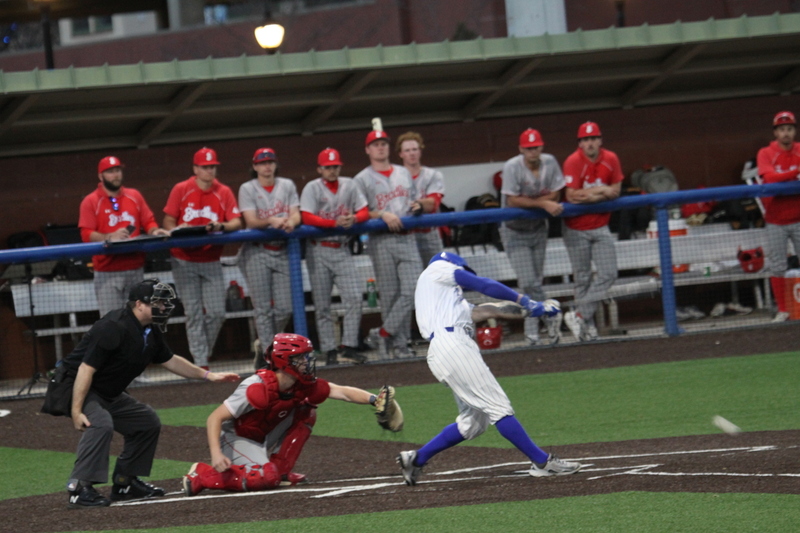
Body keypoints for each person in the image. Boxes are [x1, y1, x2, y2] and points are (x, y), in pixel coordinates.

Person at [397, 252, 581, 486]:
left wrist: (537, 309)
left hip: (447, 350)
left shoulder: (446, 300)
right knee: (498, 407)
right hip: (453, 346)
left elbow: (489, 310)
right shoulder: (438, 269)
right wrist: (524, 299)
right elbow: (483, 284)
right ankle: (543, 463)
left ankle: (417, 458)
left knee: (474, 422)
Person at [62, 279, 240, 509]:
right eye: (157, 302)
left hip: (107, 391)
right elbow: (86, 369)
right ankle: (79, 488)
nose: (164, 308)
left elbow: (170, 360)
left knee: (145, 421)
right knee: (100, 424)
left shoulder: (149, 329)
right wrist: (76, 411)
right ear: (139, 304)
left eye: (165, 303)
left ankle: (125, 484)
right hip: (75, 385)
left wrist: (208, 375)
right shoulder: (113, 327)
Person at [182, 333, 396, 495]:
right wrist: (216, 455)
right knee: (264, 478)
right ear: (286, 361)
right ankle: (203, 475)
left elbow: (339, 391)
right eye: (301, 358)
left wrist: (374, 399)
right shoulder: (256, 386)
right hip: (234, 439)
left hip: (261, 436)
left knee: (307, 411)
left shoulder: (301, 384)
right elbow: (214, 418)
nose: (307, 363)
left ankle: (281, 470)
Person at [163, 147, 242, 370]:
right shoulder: (182, 189)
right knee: (194, 313)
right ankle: (201, 362)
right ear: (196, 169)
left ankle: (201, 353)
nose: (209, 171)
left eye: (212, 167)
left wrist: (221, 226)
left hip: (211, 259)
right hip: (183, 259)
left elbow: (236, 222)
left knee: (217, 312)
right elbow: (167, 221)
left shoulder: (223, 191)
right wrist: (179, 228)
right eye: (205, 167)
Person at [354, 130, 423, 359]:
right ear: (367, 149)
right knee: (391, 294)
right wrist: (381, 214)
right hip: (380, 239)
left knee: (412, 290)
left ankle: (383, 333)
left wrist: (416, 206)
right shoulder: (362, 178)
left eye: (383, 143)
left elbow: (410, 198)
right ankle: (399, 346)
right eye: (375, 144)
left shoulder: (403, 172)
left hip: (407, 236)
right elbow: (361, 211)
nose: (380, 147)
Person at [300, 148, 370, 366]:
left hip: (342, 248)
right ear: (320, 168)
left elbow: (364, 211)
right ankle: (329, 349)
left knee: (355, 297)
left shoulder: (350, 184)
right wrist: (334, 223)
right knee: (322, 305)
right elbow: (306, 216)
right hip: (318, 249)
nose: (332, 170)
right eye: (328, 167)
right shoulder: (312, 187)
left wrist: (355, 219)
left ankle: (348, 346)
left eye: (335, 166)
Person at [79, 156, 170, 317]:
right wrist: (109, 236)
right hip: (107, 272)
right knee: (112, 324)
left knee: (138, 322)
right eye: (110, 172)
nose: (116, 175)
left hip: (134, 268)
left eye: (118, 171)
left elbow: (148, 221)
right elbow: (86, 234)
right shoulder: (91, 201)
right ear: (101, 176)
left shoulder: (134, 195)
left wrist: (155, 231)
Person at [500, 128, 565, 345]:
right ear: (521, 149)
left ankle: (533, 334)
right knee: (529, 282)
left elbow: (556, 191)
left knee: (534, 283)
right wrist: (543, 203)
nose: (532, 151)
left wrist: (546, 201)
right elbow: (512, 200)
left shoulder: (550, 162)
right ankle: (550, 319)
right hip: (514, 231)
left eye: (535, 147)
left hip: (538, 228)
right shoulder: (512, 166)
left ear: (541, 146)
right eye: (528, 148)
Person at [561, 122, 623, 341]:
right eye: (585, 139)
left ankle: (579, 316)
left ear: (600, 140)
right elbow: (571, 196)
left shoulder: (611, 158)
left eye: (593, 138)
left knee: (609, 273)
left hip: (600, 226)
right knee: (583, 278)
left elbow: (616, 191)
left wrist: (590, 195)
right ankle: (586, 325)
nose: (589, 143)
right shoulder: (573, 161)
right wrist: (601, 191)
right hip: (576, 227)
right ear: (580, 143)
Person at [238, 147, 301, 363]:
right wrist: (272, 220)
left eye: (270, 162)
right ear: (255, 166)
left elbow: (296, 214)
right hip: (256, 251)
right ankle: (269, 356)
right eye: (262, 162)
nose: (267, 166)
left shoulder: (287, 185)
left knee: (285, 307)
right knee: (263, 308)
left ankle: (268, 342)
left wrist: (291, 221)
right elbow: (251, 221)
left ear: (275, 164)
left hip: (281, 250)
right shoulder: (247, 188)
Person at [756, 111, 800, 323]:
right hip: (776, 219)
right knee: (777, 266)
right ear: (775, 132)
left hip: (799, 217)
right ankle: (782, 309)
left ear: (794, 131)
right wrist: (795, 174)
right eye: (782, 129)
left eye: (790, 129)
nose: (786, 133)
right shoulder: (766, 153)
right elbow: (770, 179)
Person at [396, 131, 446, 265]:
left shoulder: (433, 175)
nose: (412, 153)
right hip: (405, 235)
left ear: (420, 151)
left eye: (414, 149)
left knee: (437, 272)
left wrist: (418, 204)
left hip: (429, 234)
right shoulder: (394, 178)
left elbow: (433, 203)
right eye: (407, 150)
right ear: (401, 154)